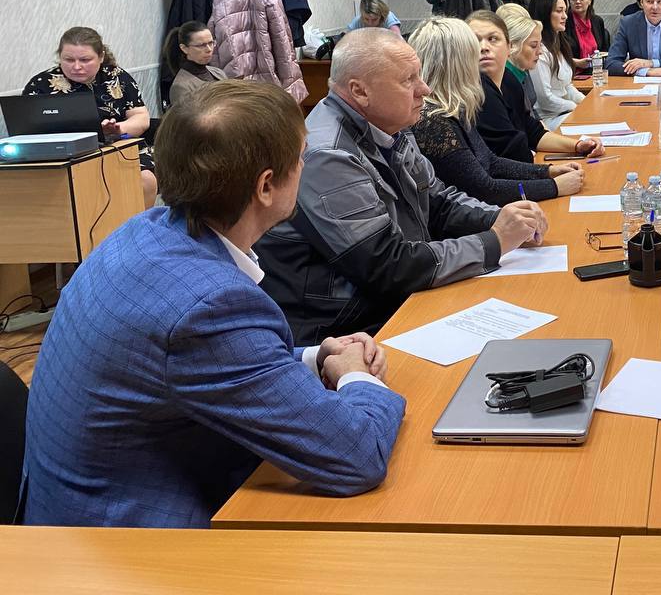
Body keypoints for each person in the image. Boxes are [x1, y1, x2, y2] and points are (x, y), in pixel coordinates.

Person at [22, 80, 405, 528]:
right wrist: (358, 377)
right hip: (127, 542)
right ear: (266, 186)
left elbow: (212, 364)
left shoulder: (144, 230)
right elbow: (358, 455)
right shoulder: (209, 306)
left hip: (79, 505)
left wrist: (317, 358)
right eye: (301, 157)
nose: (305, 167)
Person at [255, 28, 548, 344]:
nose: (424, 89)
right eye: (409, 80)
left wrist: (503, 219)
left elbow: (438, 202)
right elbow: (386, 265)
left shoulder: (391, 126)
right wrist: (495, 240)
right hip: (347, 328)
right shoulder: (329, 156)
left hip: (392, 301)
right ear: (360, 91)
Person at [410, 18, 583, 205]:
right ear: (458, 64)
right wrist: (553, 186)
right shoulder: (434, 120)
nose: (480, 54)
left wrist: (547, 171)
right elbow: (484, 189)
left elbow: (491, 162)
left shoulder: (455, 107)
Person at [24, 26, 158, 207]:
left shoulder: (116, 76)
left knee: (146, 180)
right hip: (63, 157)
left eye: (85, 60)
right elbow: (27, 131)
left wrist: (117, 129)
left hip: (117, 149)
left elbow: (141, 117)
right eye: (68, 60)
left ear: (101, 57)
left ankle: (137, 224)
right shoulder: (41, 84)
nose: (76, 66)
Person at [469, 11, 605, 163]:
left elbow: (533, 132)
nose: (483, 47)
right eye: (475, 40)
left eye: (492, 39)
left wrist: (578, 145)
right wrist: (548, 173)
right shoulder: (476, 92)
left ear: (509, 46)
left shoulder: (509, 80)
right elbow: (509, 152)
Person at [528, 0, 585, 130]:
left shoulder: (559, 44)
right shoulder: (540, 51)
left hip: (565, 112)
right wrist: (575, 107)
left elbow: (567, 86)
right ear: (545, 14)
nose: (565, 16)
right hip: (549, 119)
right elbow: (545, 99)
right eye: (559, 11)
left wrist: (585, 102)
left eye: (565, 11)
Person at [163, 21, 227, 110]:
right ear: (184, 48)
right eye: (201, 45)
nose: (209, 49)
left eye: (211, 43)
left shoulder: (218, 72)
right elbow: (188, 118)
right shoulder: (182, 87)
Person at [565, 0, 611, 71]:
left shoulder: (597, 21)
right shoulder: (564, 22)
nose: (577, 2)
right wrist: (577, 62)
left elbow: (604, 50)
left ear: (590, 0)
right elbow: (558, 56)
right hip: (572, 71)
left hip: (596, 71)